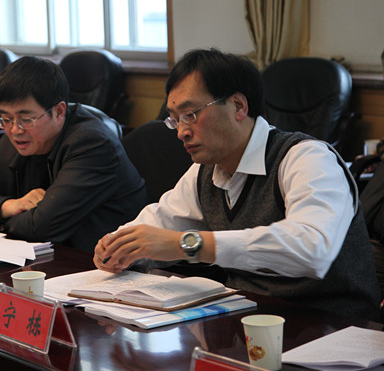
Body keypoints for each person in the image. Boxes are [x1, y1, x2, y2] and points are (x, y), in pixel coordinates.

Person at [93, 48, 380, 319]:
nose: (181, 132)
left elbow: (311, 249)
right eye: (175, 119)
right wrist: (118, 246)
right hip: (247, 319)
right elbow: (161, 219)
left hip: (331, 326)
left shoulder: (307, 158)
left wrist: (188, 244)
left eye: (190, 115)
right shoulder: (205, 170)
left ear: (238, 106)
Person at [0, 56, 148, 251]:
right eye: (6, 119)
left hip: (99, 263)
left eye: (26, 119)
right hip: (42, 258)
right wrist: (8, 206)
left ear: (59, 111)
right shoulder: (12, 142)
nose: (15, 130)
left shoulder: (92, 144)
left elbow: (40, 228)